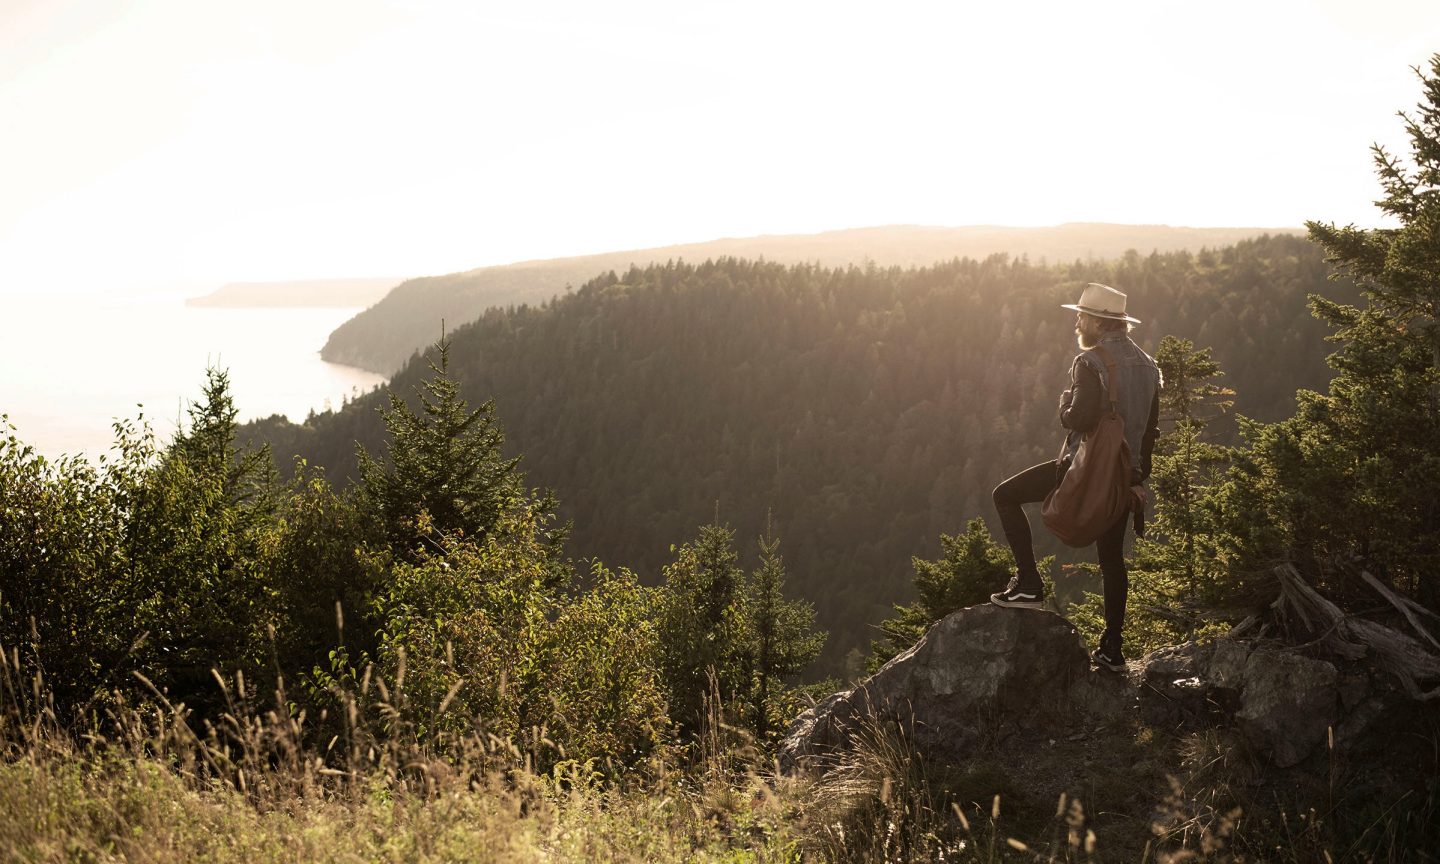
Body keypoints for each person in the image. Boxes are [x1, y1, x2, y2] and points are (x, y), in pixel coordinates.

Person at [988, 282, 1161, 671]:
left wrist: (1064, 404)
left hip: (1080, 470)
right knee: (1113, 560)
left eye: (1081, 317)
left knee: (1005, 495)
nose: (1077, 323)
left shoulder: (1091, 362)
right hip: (1123, 477)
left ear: (1099, 323)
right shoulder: (1150, 367)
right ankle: (1113, 649)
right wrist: (1136, 477)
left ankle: (1029, 586)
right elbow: (1150, 431)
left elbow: (1080, 418)